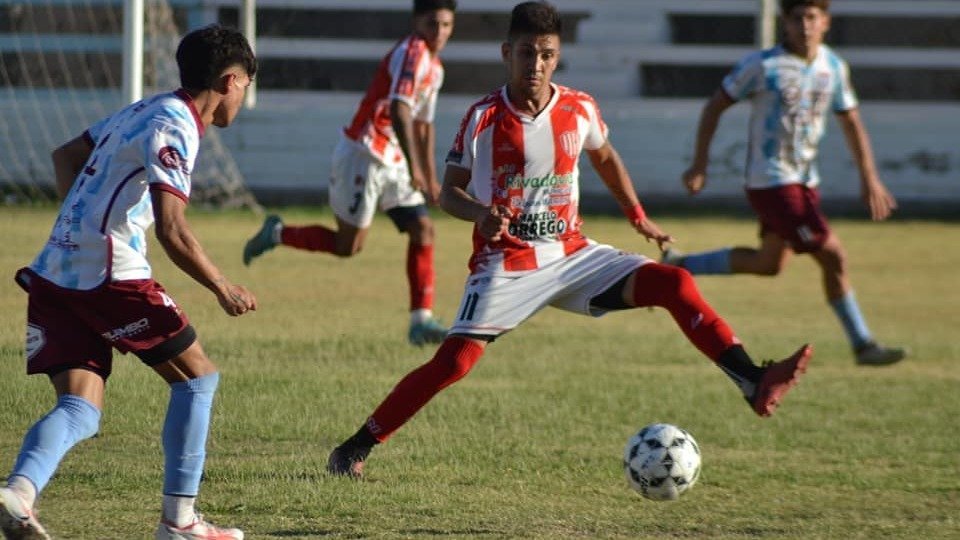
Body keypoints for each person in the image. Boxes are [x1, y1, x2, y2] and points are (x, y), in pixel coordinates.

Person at [325, 1, 813, 479]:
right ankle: (354, 447)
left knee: (674, 283)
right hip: (508, 262)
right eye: (526, 53)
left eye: (546, 54)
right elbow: (448, 192)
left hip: (573, 254)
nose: (535, 64)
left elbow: (605, 157)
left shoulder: (579, 107)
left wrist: (637, 216)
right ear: (507, 53)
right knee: (454, 363)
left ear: (557, 57)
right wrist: (480, 215)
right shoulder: (483, 117)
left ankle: (752, 380)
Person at [0, 24, 257, 540]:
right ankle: (180, 522)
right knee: (197, 379)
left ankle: (17, 495)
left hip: (56, 270)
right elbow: (172, 229)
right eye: (247, 85)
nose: (243, 98)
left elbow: (65, 155)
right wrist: (222, 286)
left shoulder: (144, 108)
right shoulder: (175, 123)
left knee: (80, 408)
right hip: (110, 275)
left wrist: (82, 226)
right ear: (230, 80)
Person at [662, 0, 904, 366]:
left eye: (812, 17)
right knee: (833, 255)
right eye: (797, 17)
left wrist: (870, 178)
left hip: (805, 182)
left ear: (826, 22)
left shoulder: (833, 66)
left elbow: (852, 122)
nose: (805, 25)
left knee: (769, 263)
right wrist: (699, 163)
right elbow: (714, 106)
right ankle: (863, 344)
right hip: (772, 181)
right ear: (785, 23)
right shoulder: (762, 65)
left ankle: (679, 266)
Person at [242, 0, 457, 346]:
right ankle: (277, 233)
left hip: (394, 158)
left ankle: (421, 322)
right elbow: (400, 110)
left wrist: (430, 176)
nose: (440, 32)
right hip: (365, 153)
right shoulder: (413, 52)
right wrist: (417, 167)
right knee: (348, 246)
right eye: (433, 23)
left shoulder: (436, 67)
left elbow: (423, 124)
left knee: (423, 229)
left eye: (446, 25)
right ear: (417, 22)